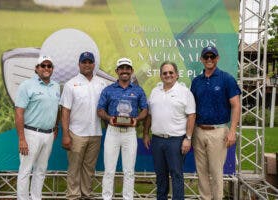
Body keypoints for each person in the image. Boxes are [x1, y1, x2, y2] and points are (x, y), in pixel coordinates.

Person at [190, 46, 241, 200]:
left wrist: (232, 131)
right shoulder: (196, 82)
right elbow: (191, 108)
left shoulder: (227, 79)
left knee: (216, 171)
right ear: (201, 59)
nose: (209, 60)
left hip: (218, 132)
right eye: (206, 57)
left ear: (217, 58)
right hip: (198, 131)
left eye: (212, 57)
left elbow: (236, 105)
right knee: (201, 171)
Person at [143, 61, 196, 200]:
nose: (168, 75)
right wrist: (145, 134)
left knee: (176, 175)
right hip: (157, 140)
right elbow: (149, 115)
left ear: (177, 75)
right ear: (160, 75)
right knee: (160, 175)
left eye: (171, 72)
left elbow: (191, 115)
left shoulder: (185, 92)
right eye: (165, 73)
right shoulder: (155, 91)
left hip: (176, 141)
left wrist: (188, 138)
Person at [97, 57, 148, 200]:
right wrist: (109, 119)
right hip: (112, 132)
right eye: (121, 68)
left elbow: (145, 109)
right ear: (117, 71)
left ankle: (128, 198)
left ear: (131, 71)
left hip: (130, 133)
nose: (124, 71)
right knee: (109, 171)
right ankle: (106, 198)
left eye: (127, 68)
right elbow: (100, 110)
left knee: (129, 171)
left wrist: (137, 119)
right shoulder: (108, 90)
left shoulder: (138, 90)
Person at [59, 51, 106, 200]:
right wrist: (65, 135)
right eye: (84, 62)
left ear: (94, 64)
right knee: (74, 168)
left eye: (89, 62)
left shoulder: (102, 83)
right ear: (79, 64)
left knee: (89, 168)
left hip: (96, 133)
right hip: (76, 133)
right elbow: (65, 111)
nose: (87, 65)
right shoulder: (70, 84)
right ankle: (73, 196)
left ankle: (86, 194)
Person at [15, 55, 60, 200]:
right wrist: (22, 139)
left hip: (49, 134)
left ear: (52, 69)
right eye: (43, 65)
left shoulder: (56, 86)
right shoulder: (26, 85)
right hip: (30, 134)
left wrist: (56, 127)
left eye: (49, 66)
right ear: (37, 68)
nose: (46, 68)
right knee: (25, 170)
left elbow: (56, 109)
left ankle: (36, 198)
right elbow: (19, 113)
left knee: (41, 170)